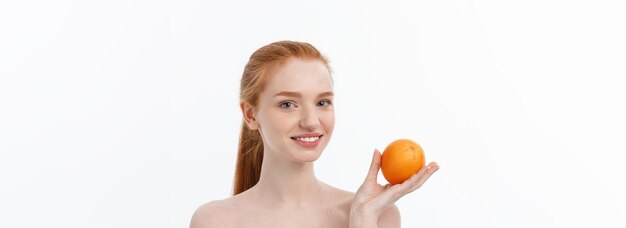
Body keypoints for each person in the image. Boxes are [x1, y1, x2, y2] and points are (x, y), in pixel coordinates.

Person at [190, 41, 439, 227]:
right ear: (250, 115)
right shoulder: (213, 221)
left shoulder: (377, 215)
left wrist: (363, 220)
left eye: (322, 103)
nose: (311, 122)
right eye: (288, 104)